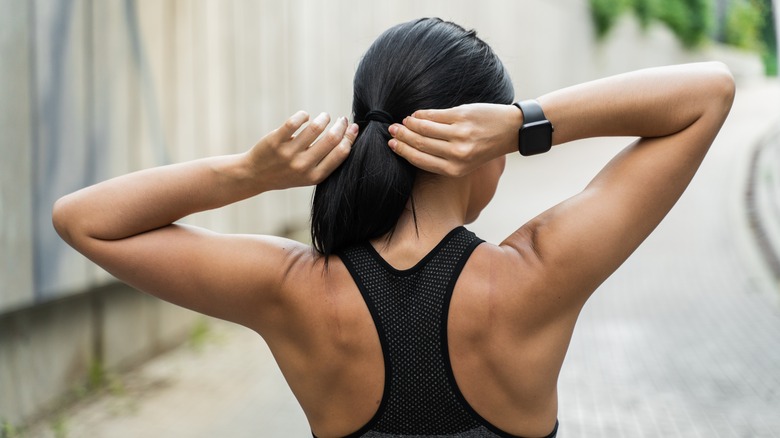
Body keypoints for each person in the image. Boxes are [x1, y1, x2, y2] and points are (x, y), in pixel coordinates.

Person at [53, 17, 734, 438]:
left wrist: (249, 173)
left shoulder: (293, 289)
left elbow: (84, 222)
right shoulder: (535, 277)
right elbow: (708, 94)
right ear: (478, 149)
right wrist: (523, 123)